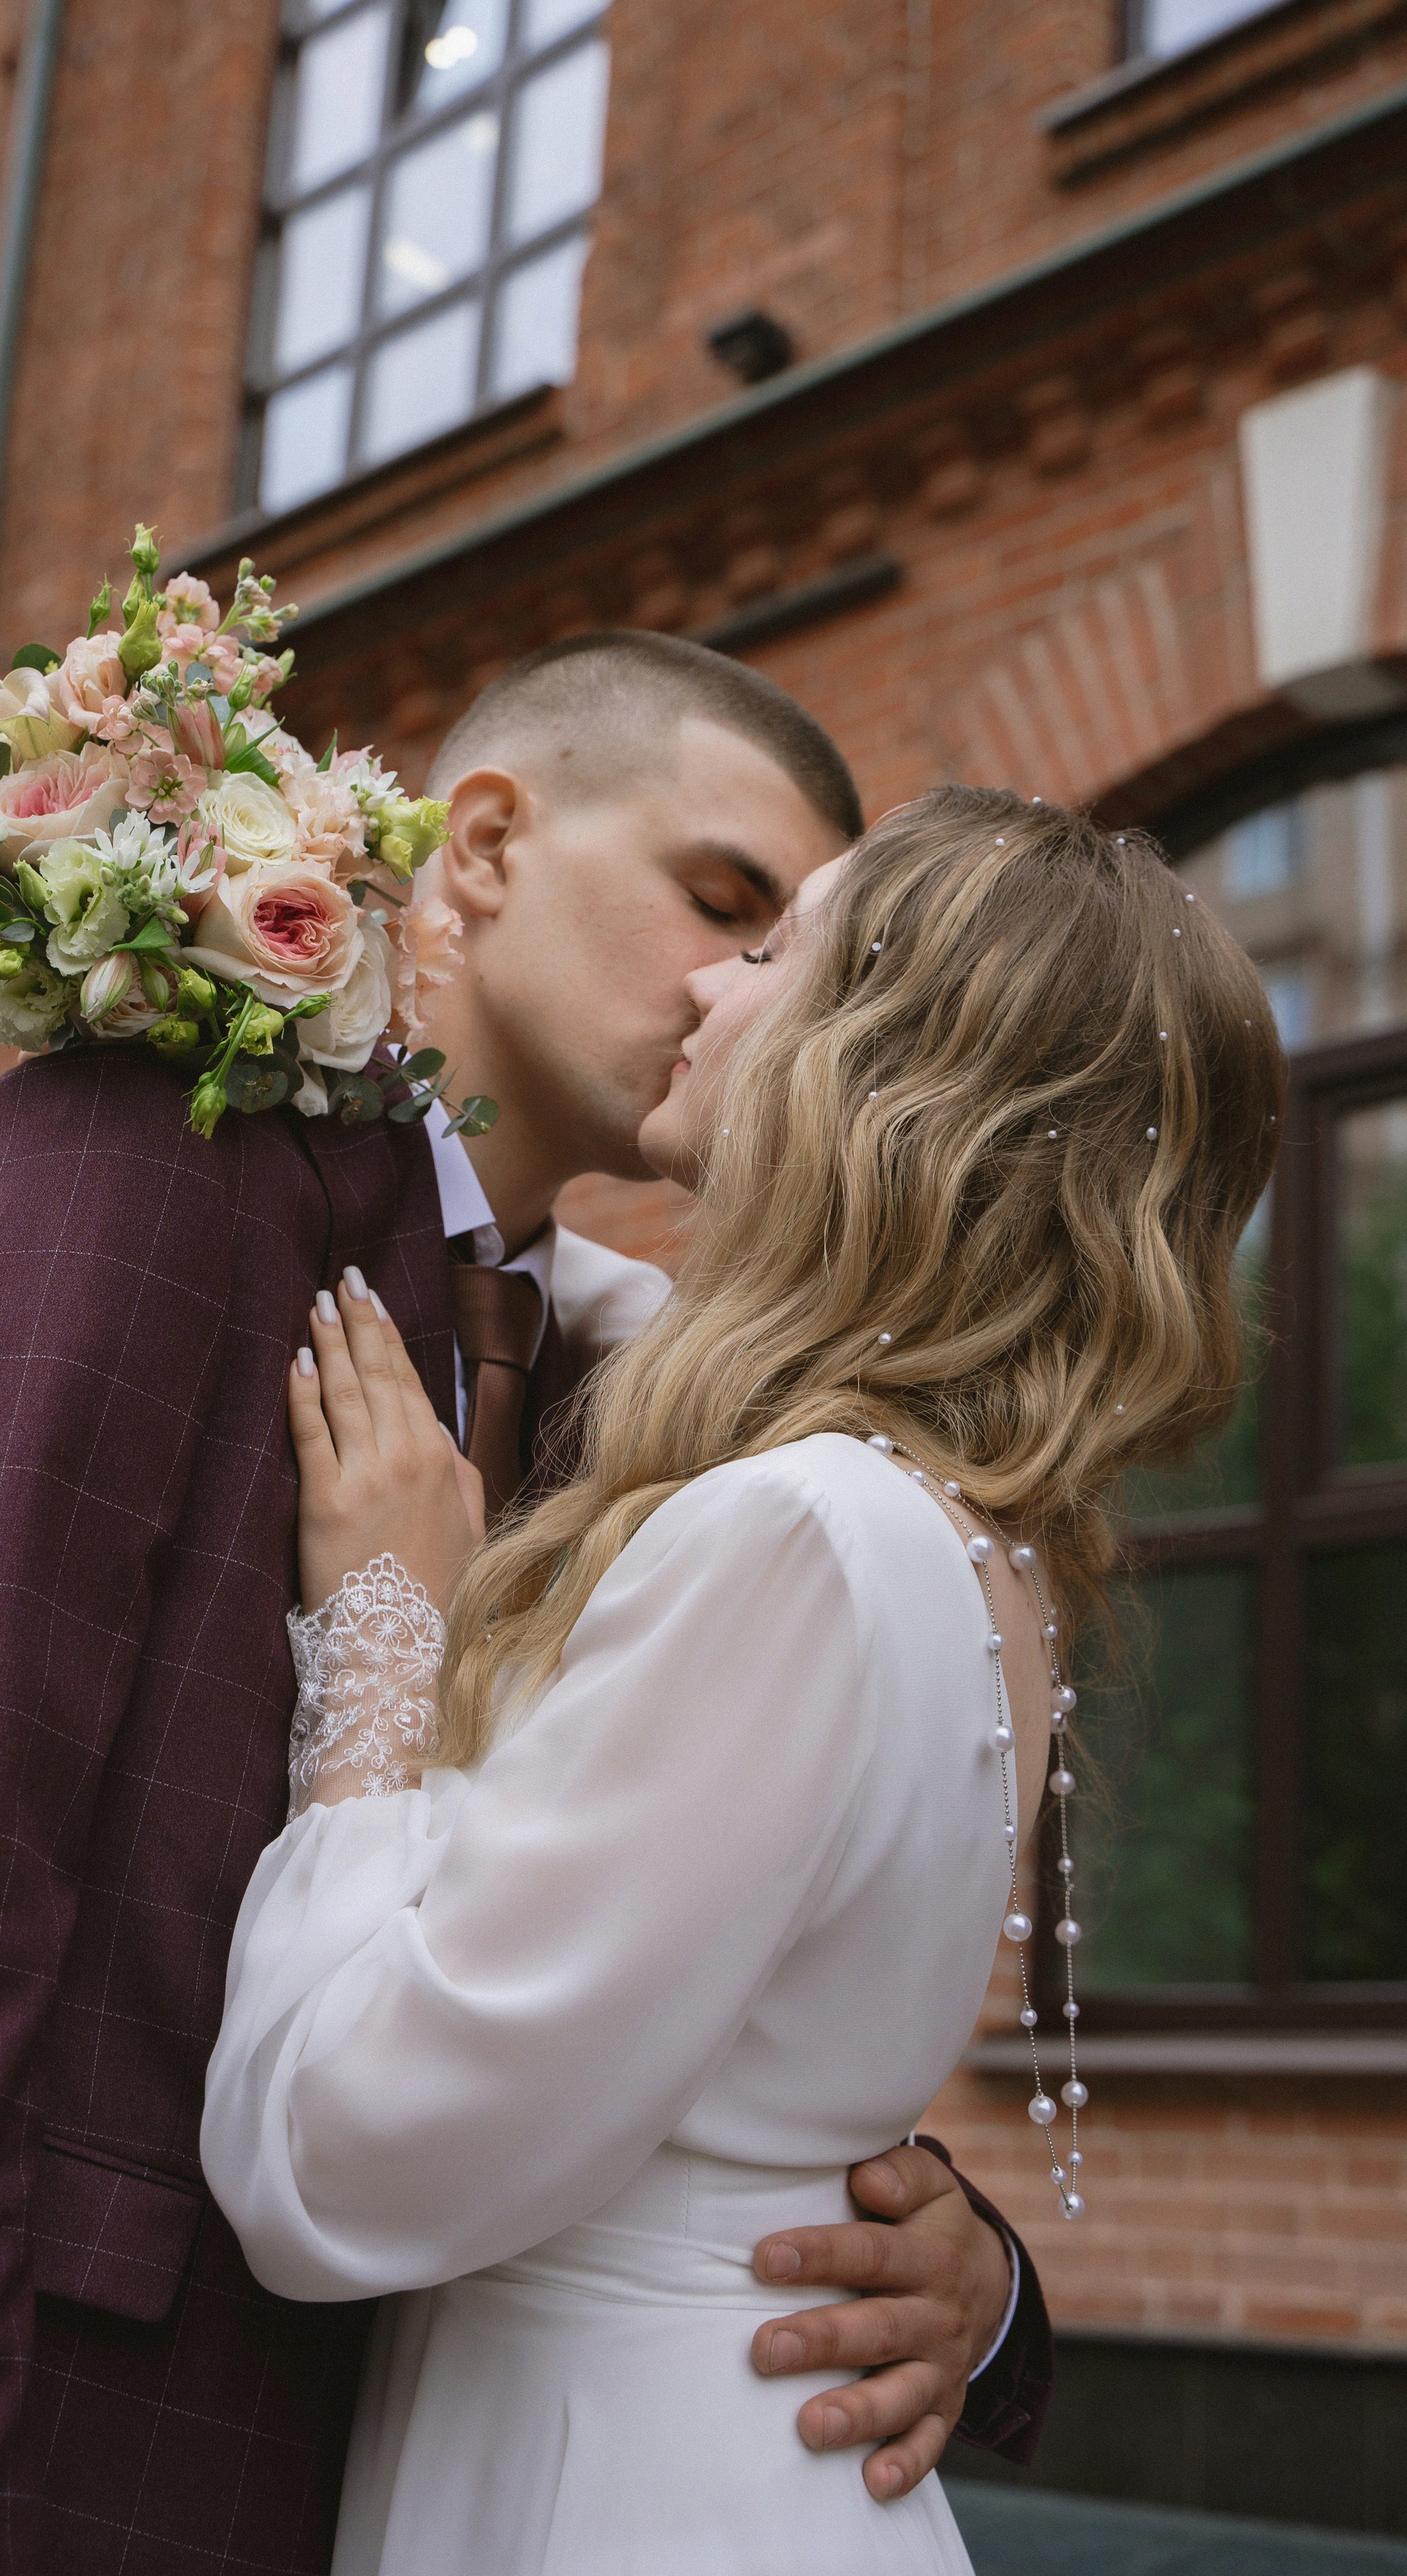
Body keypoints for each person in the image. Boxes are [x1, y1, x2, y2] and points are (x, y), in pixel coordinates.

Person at [0, 639, 1035, 2576]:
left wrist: (964, 2278)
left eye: (790, 955)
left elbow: (588, 1963)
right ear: (482, 844)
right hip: (36, 2459)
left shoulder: (624, 1404)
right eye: (723, 902)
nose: (745, 992)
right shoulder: (144, 1166)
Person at [201, 786, 1284, 2575]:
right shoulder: (959, 1533)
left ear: (886, 1073)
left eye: (773, 947)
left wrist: (386, 1640)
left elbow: (344, 2162)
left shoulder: (797, 1535)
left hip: (617, 2486)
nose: (710, 981)